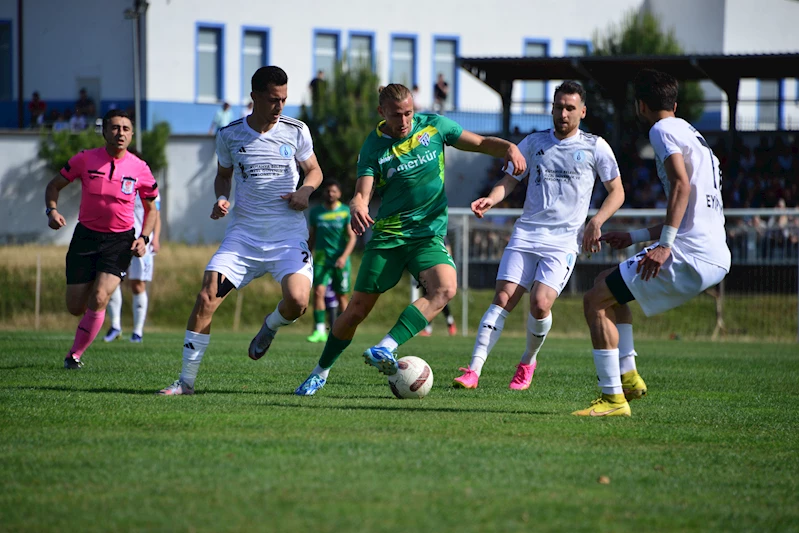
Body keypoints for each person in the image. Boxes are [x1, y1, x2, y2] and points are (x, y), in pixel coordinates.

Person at [294, 83, 526, 396]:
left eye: (408, 113)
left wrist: (508, 147)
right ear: (381, 112)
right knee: (356, 312)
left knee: (445, 288)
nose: (403, 120)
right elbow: (362, 192)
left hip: (428, 234)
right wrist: (358, 205)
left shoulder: (434, 126)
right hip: (389, 236)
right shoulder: (373, 147)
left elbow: (482, 142)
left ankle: (385, 347)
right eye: (395, 115)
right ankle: (320, 372)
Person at [158, 65, 323, 396]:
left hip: (288, 237)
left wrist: (305, 191)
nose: (280, 107)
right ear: (255, 97)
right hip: (243, 237)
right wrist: (222, 197)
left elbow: (314, 170)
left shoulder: (296, 130)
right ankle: (186, 382)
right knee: (206, 297)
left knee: (298, 302)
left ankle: (271, 325)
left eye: (284, 100)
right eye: (274, 100)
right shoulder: (230, 134)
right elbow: (223, 174)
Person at [575, 69, 731, 417]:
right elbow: (690, 208)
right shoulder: (694, 137)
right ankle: (628, 377)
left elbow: (681, 186)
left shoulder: (661, 130)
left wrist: (664, 246)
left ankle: (613, 398)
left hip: (691, 253)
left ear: (640, 106)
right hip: (713, 251)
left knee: (594, 300)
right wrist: (635, 237)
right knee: (608, 287)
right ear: (673, 103)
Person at [453, 81, 624, 390]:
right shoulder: (532, 143)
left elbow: (617, 192)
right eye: (558, 107)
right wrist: (492, 199)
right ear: (552, 108)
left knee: (540, 304)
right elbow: (509, 180)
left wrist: (596, 221)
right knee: (503, 298)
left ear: (582, 111)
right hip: (527, 234)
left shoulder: (595, 146)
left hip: (563, 242)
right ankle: (473, 369)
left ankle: (528, 361)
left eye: (570, 108)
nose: (563, 113)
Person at [44, 109, 158, 369]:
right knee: (75, 306)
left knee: (99, 297)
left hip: (119, 241)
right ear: (105, 131)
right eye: (115, 128)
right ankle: (91, 322)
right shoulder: (85, 159)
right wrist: (51, 211)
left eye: (126, 129)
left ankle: (74, 355)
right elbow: (53, 186)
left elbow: (152, 210)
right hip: (85, 237)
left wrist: (144, 238)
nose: (121, 133)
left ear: (131, 134)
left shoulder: (140, 168)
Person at [104, 191, 162, 343]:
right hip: (119, 240)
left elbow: (156, 215)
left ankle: (137, 332)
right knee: (112, 280)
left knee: (138, 284)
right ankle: (115, 326)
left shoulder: (150, 188)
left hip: (142, 242)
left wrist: (155, 238)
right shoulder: (119, 182)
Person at [306, 179, 357, 343]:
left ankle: (345, 330)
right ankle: (320, 331)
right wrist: (307, 254)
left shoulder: (345, 212)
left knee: (342, 295)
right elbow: (312, 237)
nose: (330, 194)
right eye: (328, 191)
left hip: (339, 258)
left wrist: (343, 257)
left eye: (333, 191)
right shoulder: (315, 213)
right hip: (321, 258)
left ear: (339, 194)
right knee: (318, 292)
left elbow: (352, 238)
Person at [416, 237, 457, 337]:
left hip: (437, 271)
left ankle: (449, 322)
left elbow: (448, 253)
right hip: (426, 270)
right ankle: (429, 328)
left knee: (440, 297)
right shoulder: (424, 235)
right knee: (428, 299)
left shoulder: (442, 237)